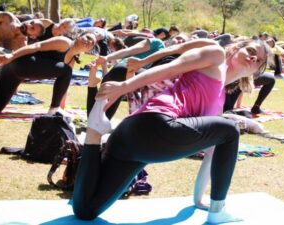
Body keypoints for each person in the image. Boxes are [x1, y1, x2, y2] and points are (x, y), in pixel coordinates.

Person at [72, 38, 269, 223]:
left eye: (258, 60)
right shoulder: (216, 55)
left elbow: (213, 156)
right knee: (231, 129)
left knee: (86, 210)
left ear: (256, 71)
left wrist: (199, 200)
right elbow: (171, 68)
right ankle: (218, 211)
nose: (252, 58)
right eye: (250, 51)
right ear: (236, 48)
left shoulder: (219, 103)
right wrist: (124, 86)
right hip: (155, 123)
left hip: (133, 142)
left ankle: (93, 135)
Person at [0, 32, 97, 114]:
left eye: (92, 43)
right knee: (66, 70)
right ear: (80, 36)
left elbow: (63, 86)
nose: (89, 41)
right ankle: (53, 111)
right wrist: (12, 56)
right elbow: (36, 46)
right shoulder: (64, 42)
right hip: (21, 63)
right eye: (88, 37)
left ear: (90, 50)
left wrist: (62, 108)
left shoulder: (72, 60)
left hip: (15, 74)